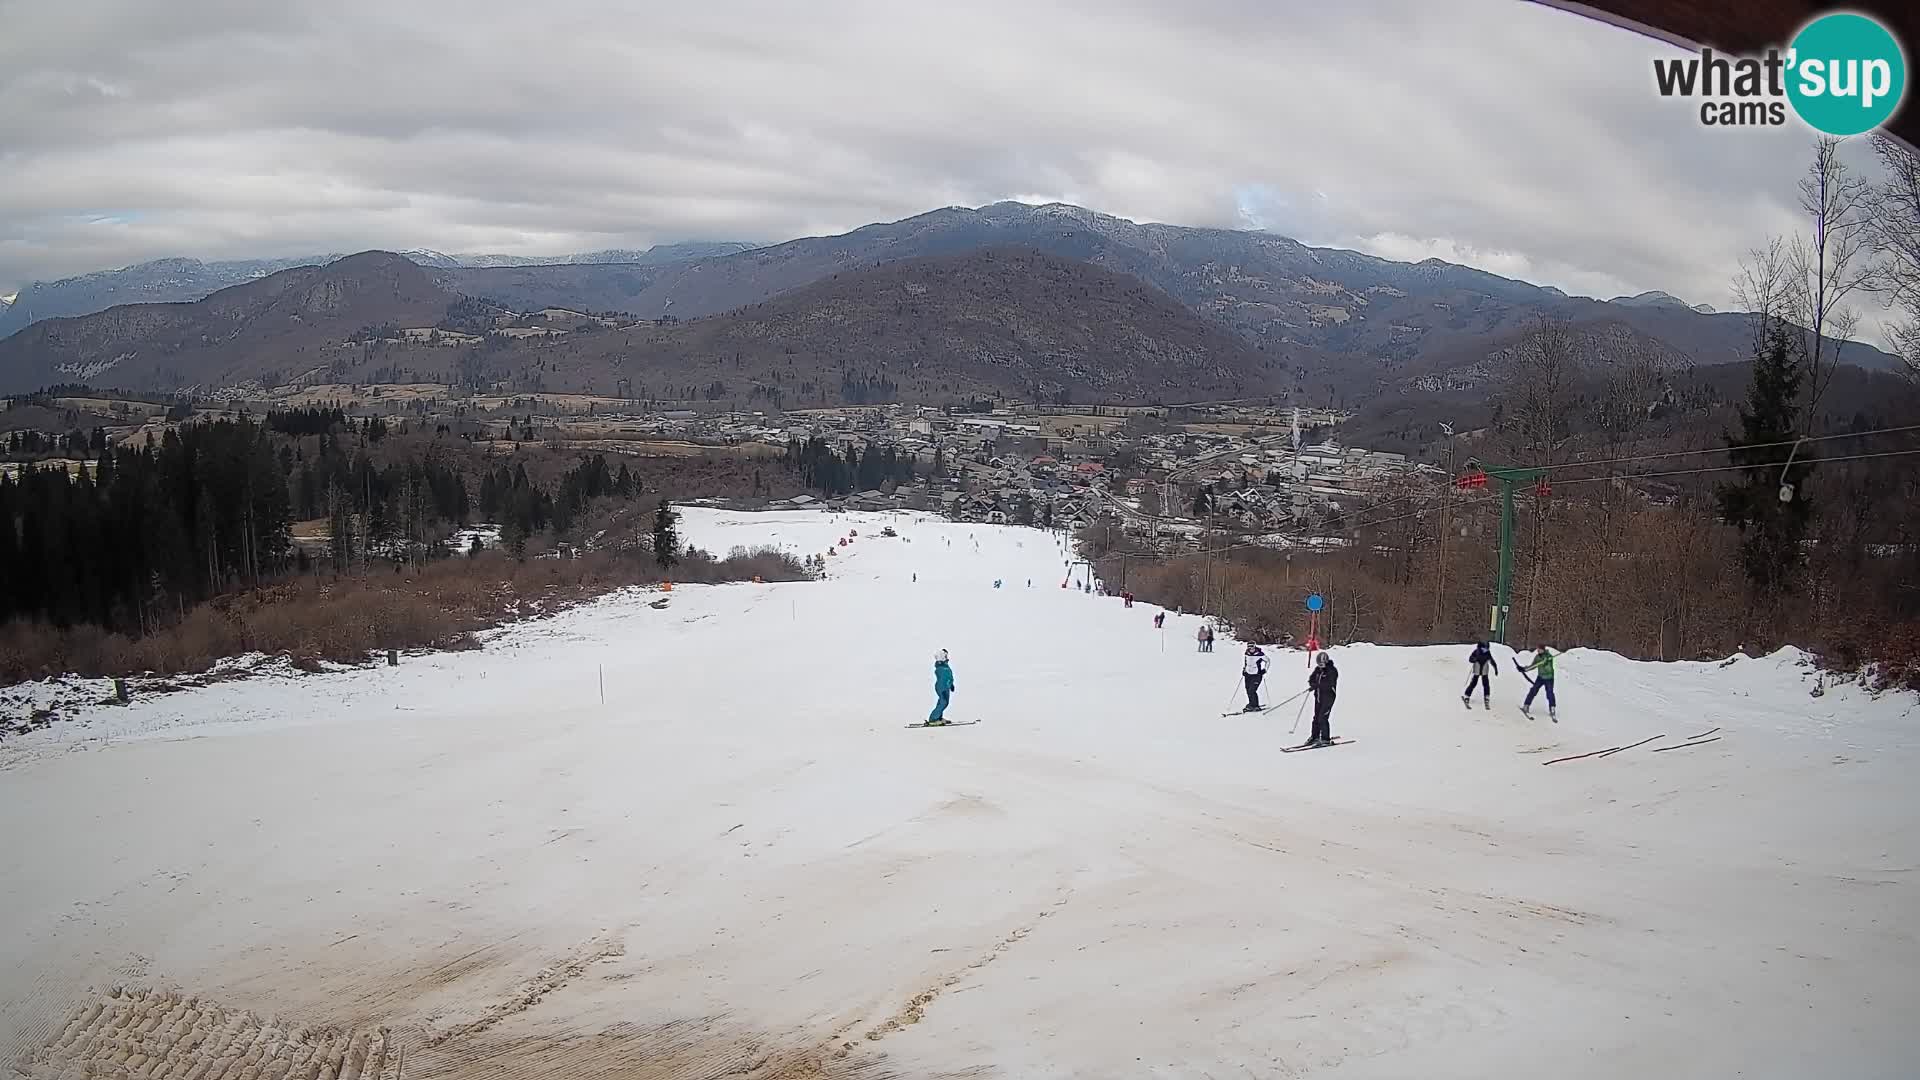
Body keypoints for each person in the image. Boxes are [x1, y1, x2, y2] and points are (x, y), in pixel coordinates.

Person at [1306, 651, 1339, 746]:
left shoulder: (1332, 671)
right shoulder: (1318, 670)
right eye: (1318, 664)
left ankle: (1325, 739)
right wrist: (1312, 684)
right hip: (1318, 697)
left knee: (1322, 718)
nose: (1320, 666)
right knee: (1316, 718)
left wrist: (1317, 685)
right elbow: (1312, 678)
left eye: (1321, 664)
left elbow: (1329, 684)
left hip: (1328, 698)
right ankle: (1314, 737)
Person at [1521, 645, 1557, 721]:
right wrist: (1524, 669)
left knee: (1549, 693)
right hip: (1540, 677)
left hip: (1549, 678)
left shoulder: (1549, 657)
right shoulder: (1537, 657)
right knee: (1533, 690)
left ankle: (1552, 708)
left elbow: (1548, 669)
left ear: (1543, 650)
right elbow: (1533, 666)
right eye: (1537, 650)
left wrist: (1545, 662)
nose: (1538, 651)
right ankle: (1526, 705)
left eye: (1539, 650)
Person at [927, 649, 957, 726]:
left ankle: (939, 717)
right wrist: (944, 687)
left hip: (946, 687)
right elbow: (942, 679)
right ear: (942, 657)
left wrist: (951, 684)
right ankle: (933, 719)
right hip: (942, 687)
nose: (947, 657)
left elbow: (949, 676)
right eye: (945, 656)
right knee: (943, 703)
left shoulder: (945, 666)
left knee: (943, 702)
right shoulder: (941, 668)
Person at [1462, 641, 1496, 707]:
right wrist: (1473, 659)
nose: (1486, 650)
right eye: (1485, 648)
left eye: (1487, 648)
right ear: (1481, 647)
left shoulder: (1488, 653)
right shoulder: (1476, 651)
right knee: (1473, 683)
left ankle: (1487, 696)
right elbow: (1470, 658)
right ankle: (1467, 695)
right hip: (1477, 670)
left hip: (1484, 671)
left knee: (1486, 684)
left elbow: (1492, 660)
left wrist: (1495, 668)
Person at [1242, 644, 1269, 711]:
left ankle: (1255, 706)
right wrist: (1244, 669)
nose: (1251, 649)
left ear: (1254, 646)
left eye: (1252, 647)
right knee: (1248, 689)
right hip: (1248, 674)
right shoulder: (1247, 653)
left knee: (1252, 690)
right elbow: (1246, 662)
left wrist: (1265, 669)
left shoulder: (1260, 654)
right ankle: (1251, 703)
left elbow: (1268, 661)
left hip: (1257, 675)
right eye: (1249, 647)